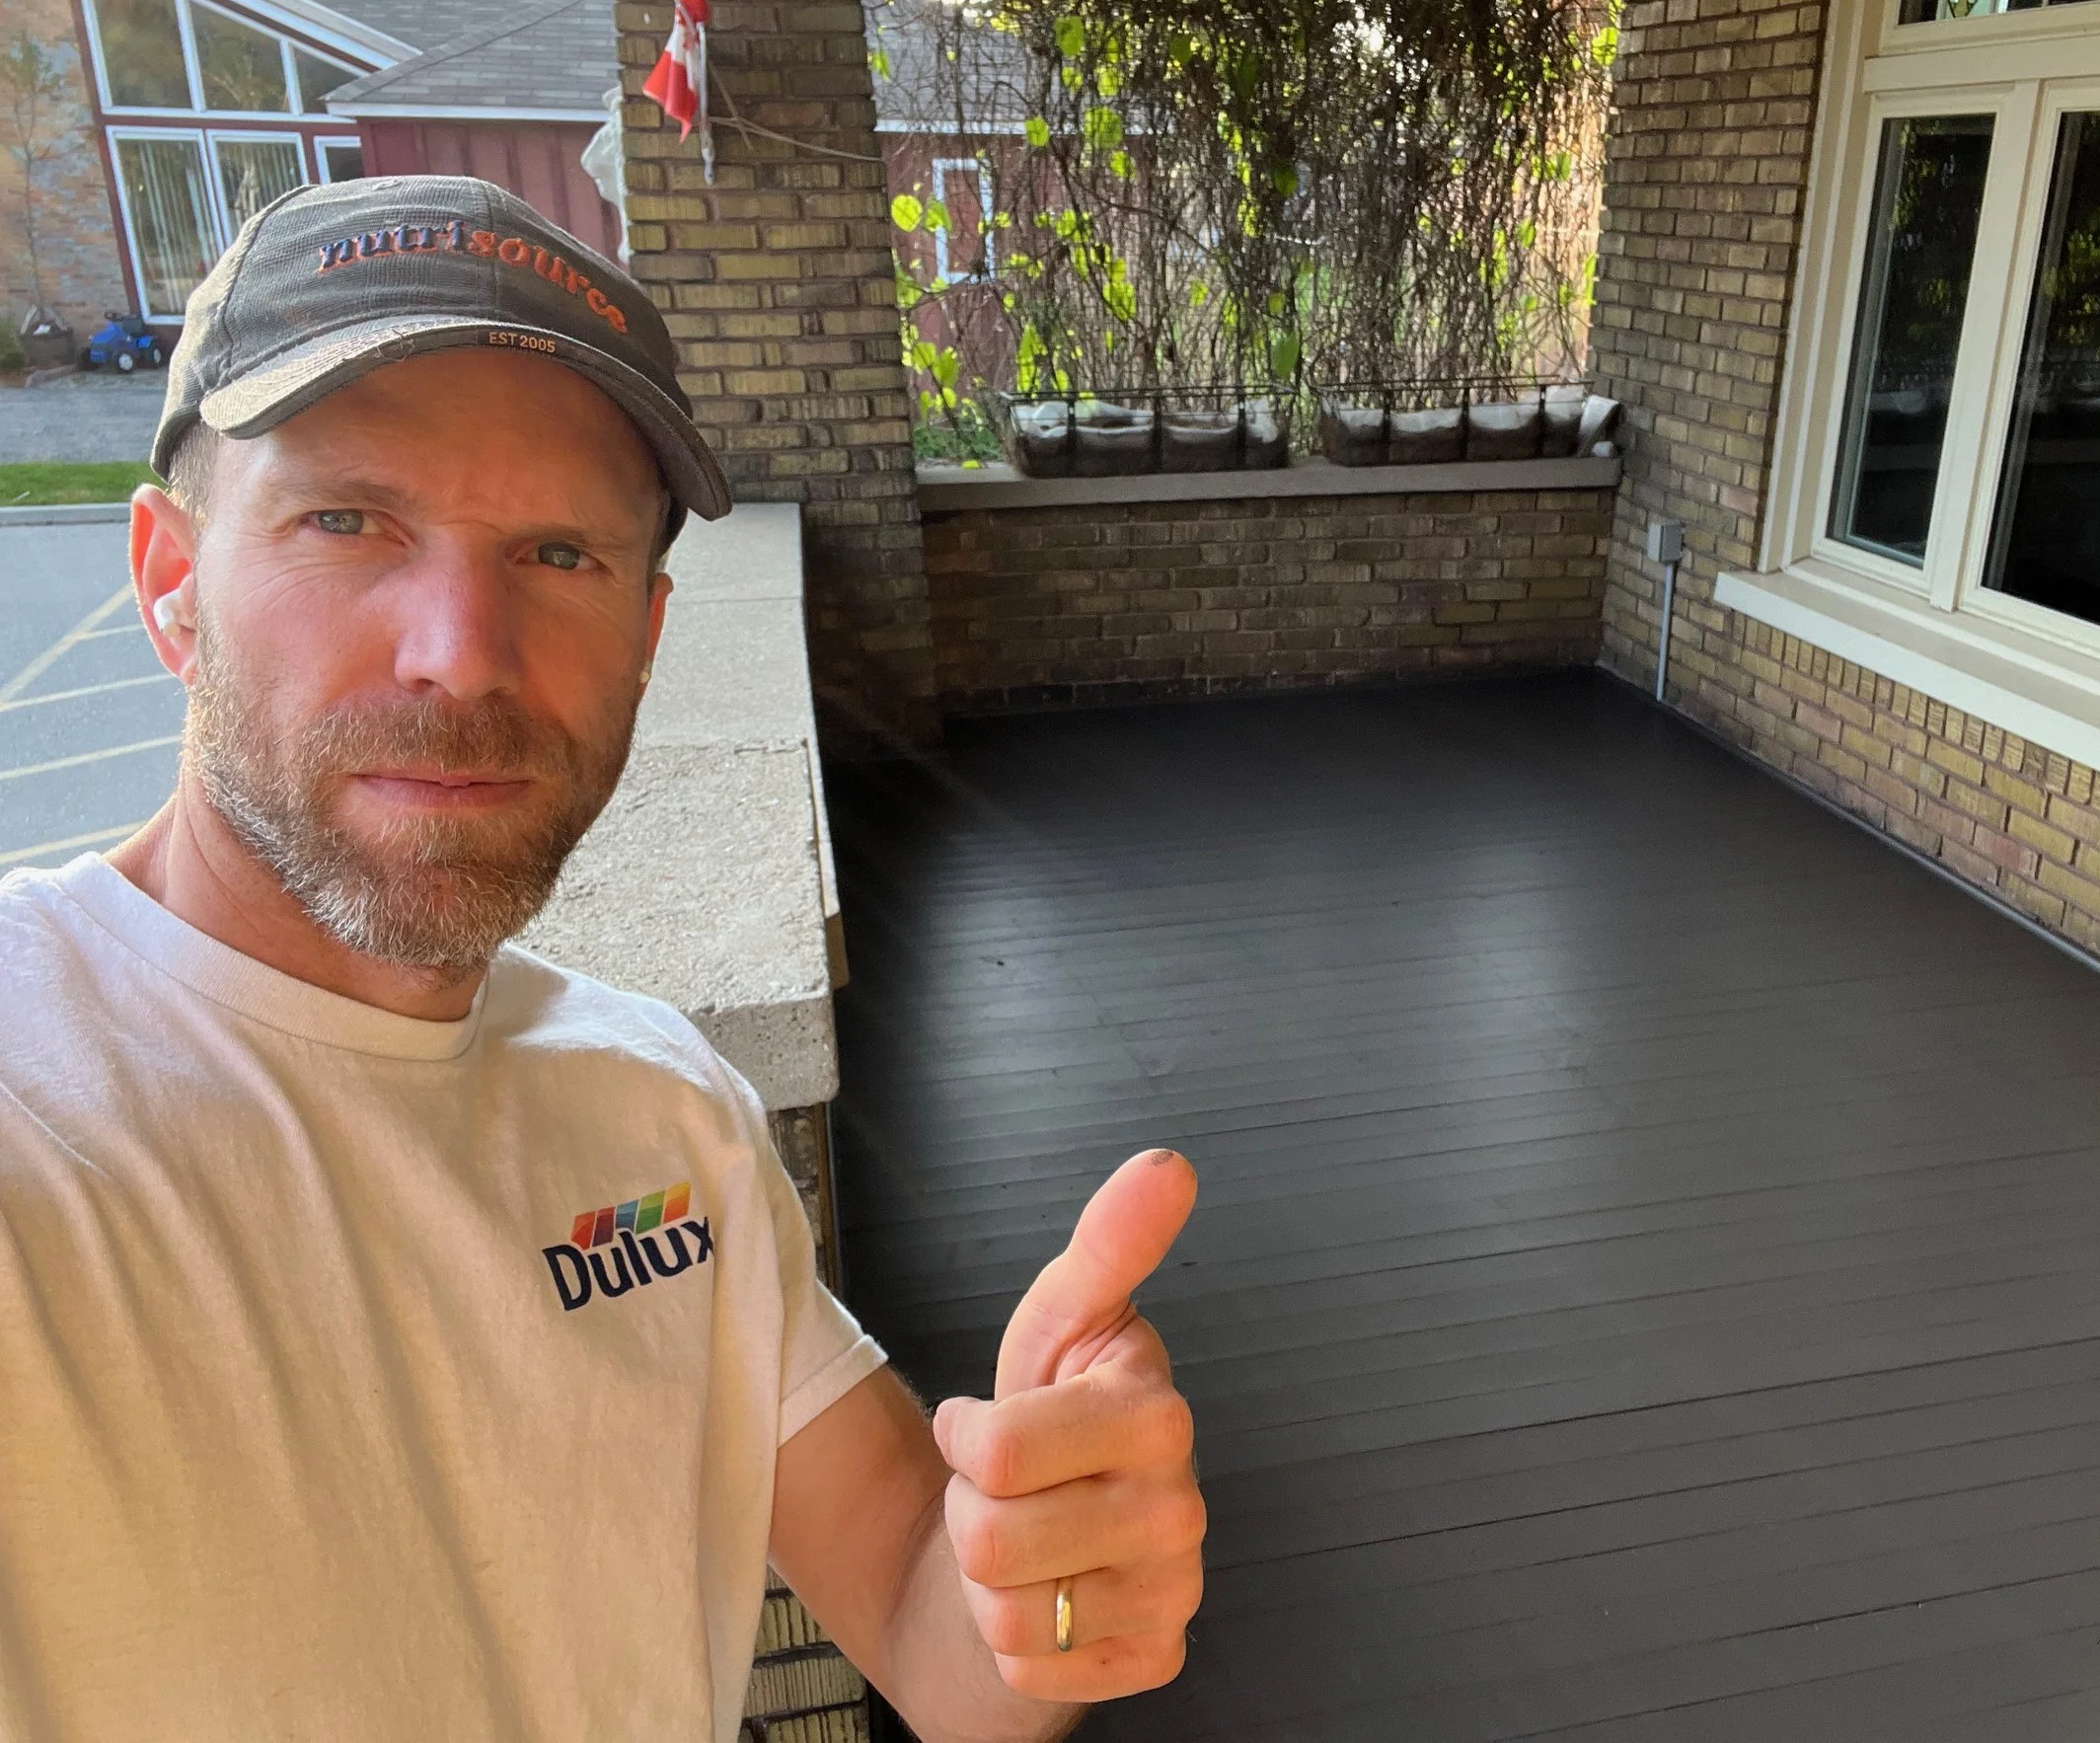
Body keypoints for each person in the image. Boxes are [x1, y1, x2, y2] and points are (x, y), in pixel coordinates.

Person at [0, 177, 1204, 1742]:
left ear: (645, 635)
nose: (460, 652)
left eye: (558, 552)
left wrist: (1046, 1582)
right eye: (348, 521)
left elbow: (928, 1614)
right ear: (171, 581)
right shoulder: (36, 1101)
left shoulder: (664, 1112)